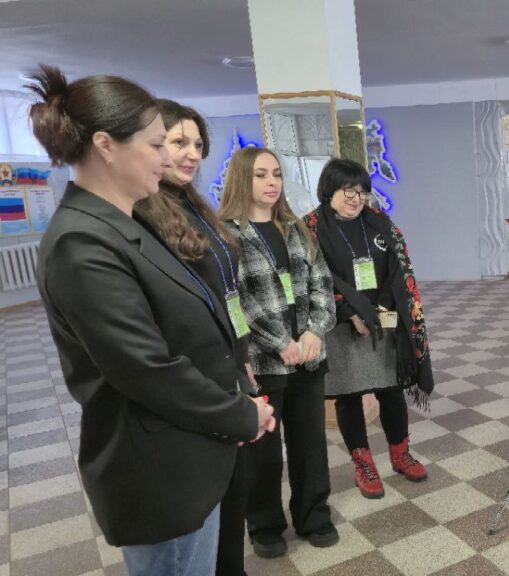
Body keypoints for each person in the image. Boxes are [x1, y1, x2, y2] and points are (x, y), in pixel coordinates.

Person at [27, 65, 275, 576]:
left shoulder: (126, 224)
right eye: (157, 144)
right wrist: (239, 415)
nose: (168, 159)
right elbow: (147, 369)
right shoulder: (82, 243)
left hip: (188, 450)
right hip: (157, 469)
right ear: (106, 145)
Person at [134, 99, 256, 576]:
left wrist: (242, 354)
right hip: (196, 374)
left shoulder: (195, 206)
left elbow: (226, 291)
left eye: (198, 144)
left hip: (228, 363)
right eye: (177, 142)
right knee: (208, 503)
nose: (191, 154)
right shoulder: (143, 215)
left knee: (234, 491)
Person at [218, 146, 338, 558]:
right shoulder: (227, 235)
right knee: (263, 452)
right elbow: (236, 299)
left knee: (310, 445)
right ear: (241, 180)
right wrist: (280, 341)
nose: (272, 183)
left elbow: (322, 283)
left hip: (308, 356)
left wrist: (315, 331)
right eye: (260, 175)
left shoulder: (296, 228)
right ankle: (265, 526)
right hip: (264, 361)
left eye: (276, 174)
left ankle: (313, 515)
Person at [302, 158, 433, 499]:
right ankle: (364, 464)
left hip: (383, 317)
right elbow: (314, 280)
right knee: (349, 396)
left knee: (391, 388)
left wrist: (381, 309)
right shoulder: (310, 229)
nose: (356, 199)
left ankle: (400, 454)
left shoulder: (379, 222)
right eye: (349, 191)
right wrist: (352, 313)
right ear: (329, 190)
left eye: (362, 192)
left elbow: (397, 270)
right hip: (340, 322)